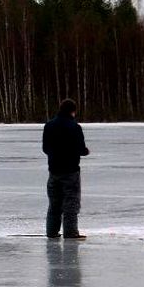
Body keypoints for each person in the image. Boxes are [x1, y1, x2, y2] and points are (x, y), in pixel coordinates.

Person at [42, 97, 90, 239]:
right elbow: (80, 149)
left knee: (54, 203)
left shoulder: (49, 126)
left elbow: (45, 148)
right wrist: (86, 151)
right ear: (72, 111)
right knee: (71, 203)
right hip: (70, 172)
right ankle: (70, 232)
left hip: (54, 170)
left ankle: (51, 232)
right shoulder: (74, 127)